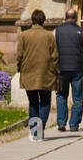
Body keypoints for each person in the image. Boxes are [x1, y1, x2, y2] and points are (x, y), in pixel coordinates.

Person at [16, 8, 58, 139]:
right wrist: (56, 71)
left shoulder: (24, 35)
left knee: (33, 102)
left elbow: (19, 55)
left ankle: (35, 133)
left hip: (29, 73)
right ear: (43, 21)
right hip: (46, 74)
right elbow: (55, 56)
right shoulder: (49, 36)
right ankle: (39, 130)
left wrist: (19, 68)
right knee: (45, 102)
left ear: (32, 20)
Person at [54, 8, 83, 132]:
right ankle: (74, 124)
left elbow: (53, 50)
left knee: (61, 95)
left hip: (61, 68)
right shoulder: (82, 32)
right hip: (78, 68)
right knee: (78, 98)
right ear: (76, 18)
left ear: (65, 18)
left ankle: (61, 122)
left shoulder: (56, 31)